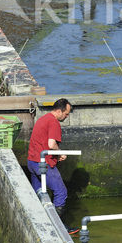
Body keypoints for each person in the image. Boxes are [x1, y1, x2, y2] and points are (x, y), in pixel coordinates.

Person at [27, 98, 79, 234]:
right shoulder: (53, 122)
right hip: (43, 164)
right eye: (66, 114)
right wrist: (60, 153)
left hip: (32, 162)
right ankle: (59, 226)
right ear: (59, 111)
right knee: (61, 192)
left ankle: (41, 219)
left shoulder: (42, 119)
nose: (66, 117)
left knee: (40, 193)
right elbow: (51, 144)